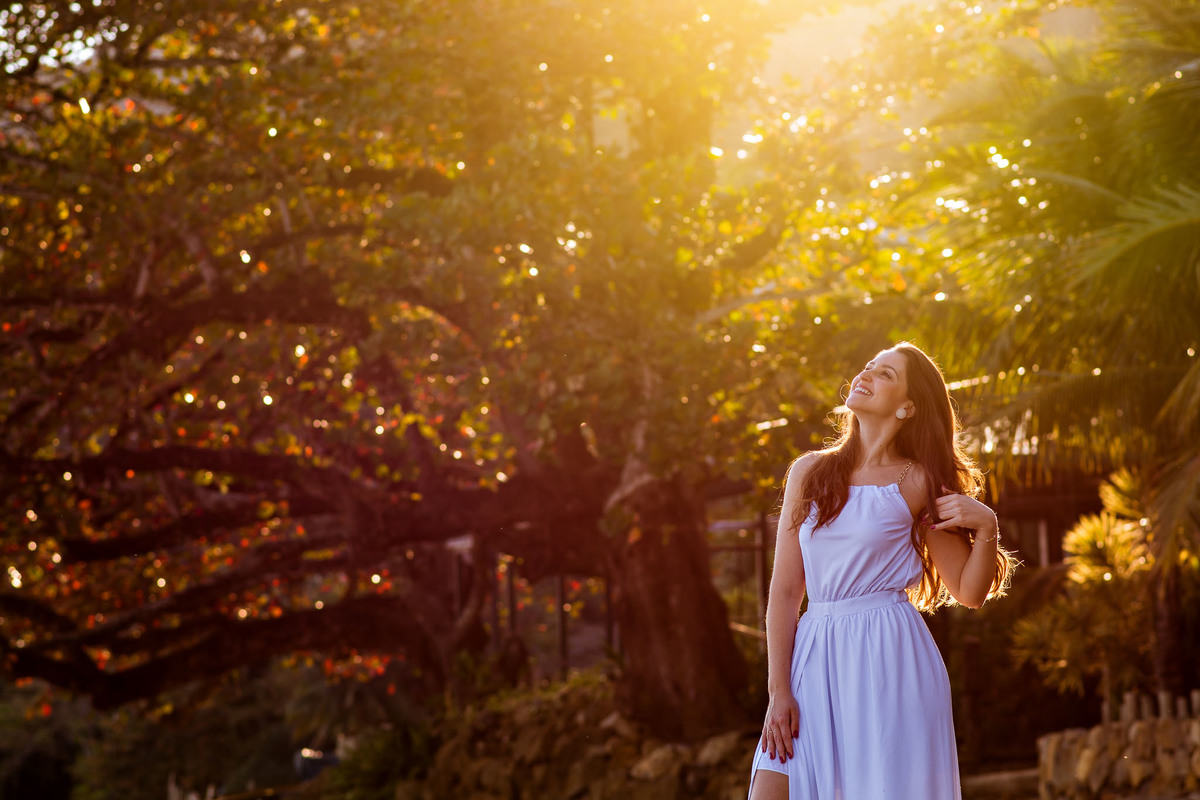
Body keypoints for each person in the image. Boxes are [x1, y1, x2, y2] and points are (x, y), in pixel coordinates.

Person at [747, 342, 1014, 800]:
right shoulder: (809, 472)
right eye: (868, 366)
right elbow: (786, 592)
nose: (866, 374)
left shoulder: (918, 482)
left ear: (908, 406)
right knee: (773, 788)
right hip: (815, 655)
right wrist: (778, 691)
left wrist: (986, 524)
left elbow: (969, 591)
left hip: (889, 659)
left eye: (885, 373)